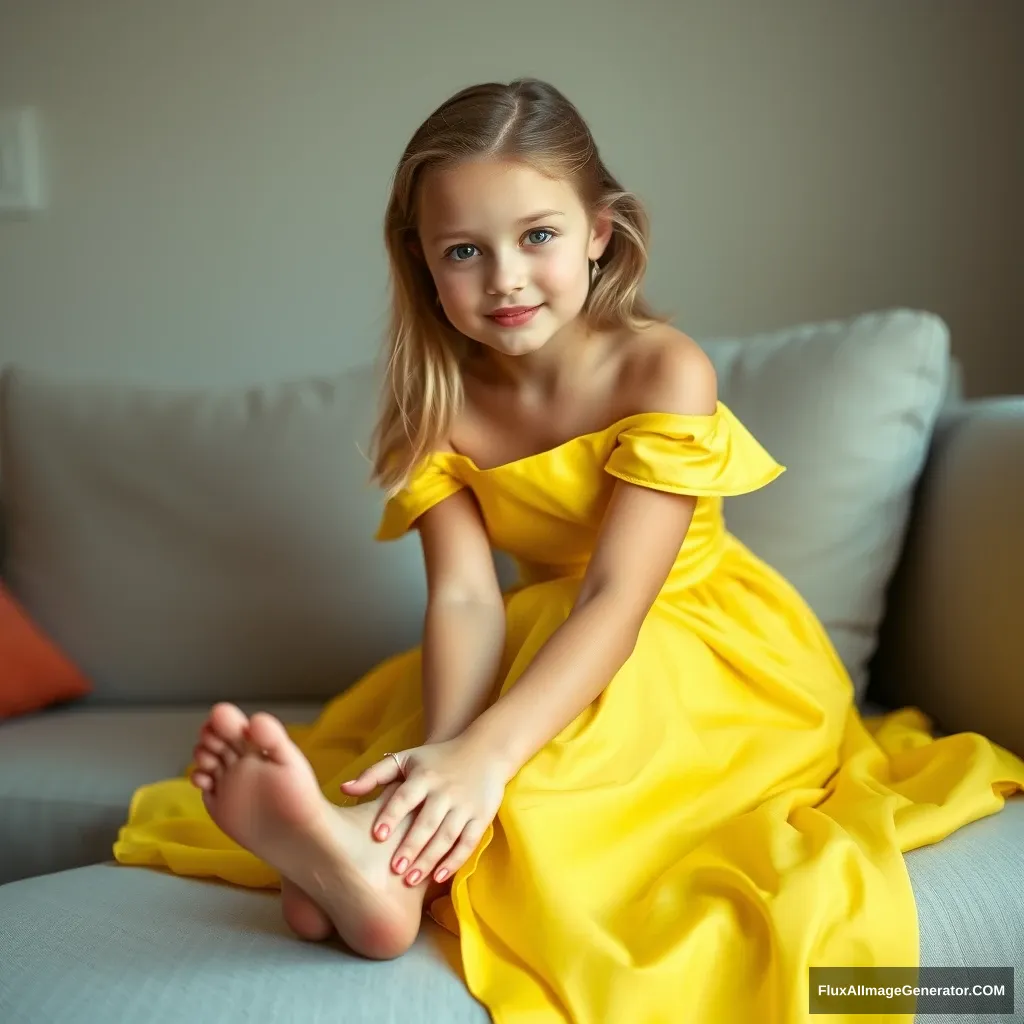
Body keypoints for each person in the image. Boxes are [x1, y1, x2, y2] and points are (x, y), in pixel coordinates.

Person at [114, 78, 1024, 1023]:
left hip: (694, 645)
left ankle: (369, 863)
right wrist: (448, 752)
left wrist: (488, 757)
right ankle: (376, 858)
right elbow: (465, 600)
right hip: (535, 628)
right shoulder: (437, 403)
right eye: (464, 252)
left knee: (547, 770)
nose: (504, 277)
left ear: (601, 231)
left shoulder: (663, 368)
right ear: (421, 264)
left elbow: (618, 600)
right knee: (448, 755)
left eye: (537, 237)